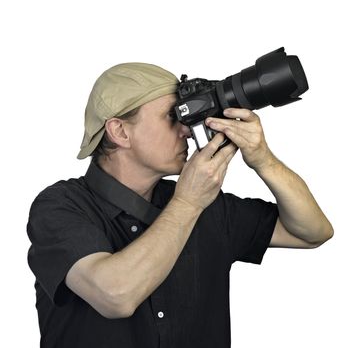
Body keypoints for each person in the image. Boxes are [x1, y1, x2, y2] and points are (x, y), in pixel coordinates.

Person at [27, 63, 333, 348]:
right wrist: (187, 203)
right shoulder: (60, 206)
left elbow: (313, 232)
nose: (187, 128)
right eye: (173, 117)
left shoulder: (208, 205)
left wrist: (263, 159)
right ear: (120, 131)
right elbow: (115, 295)